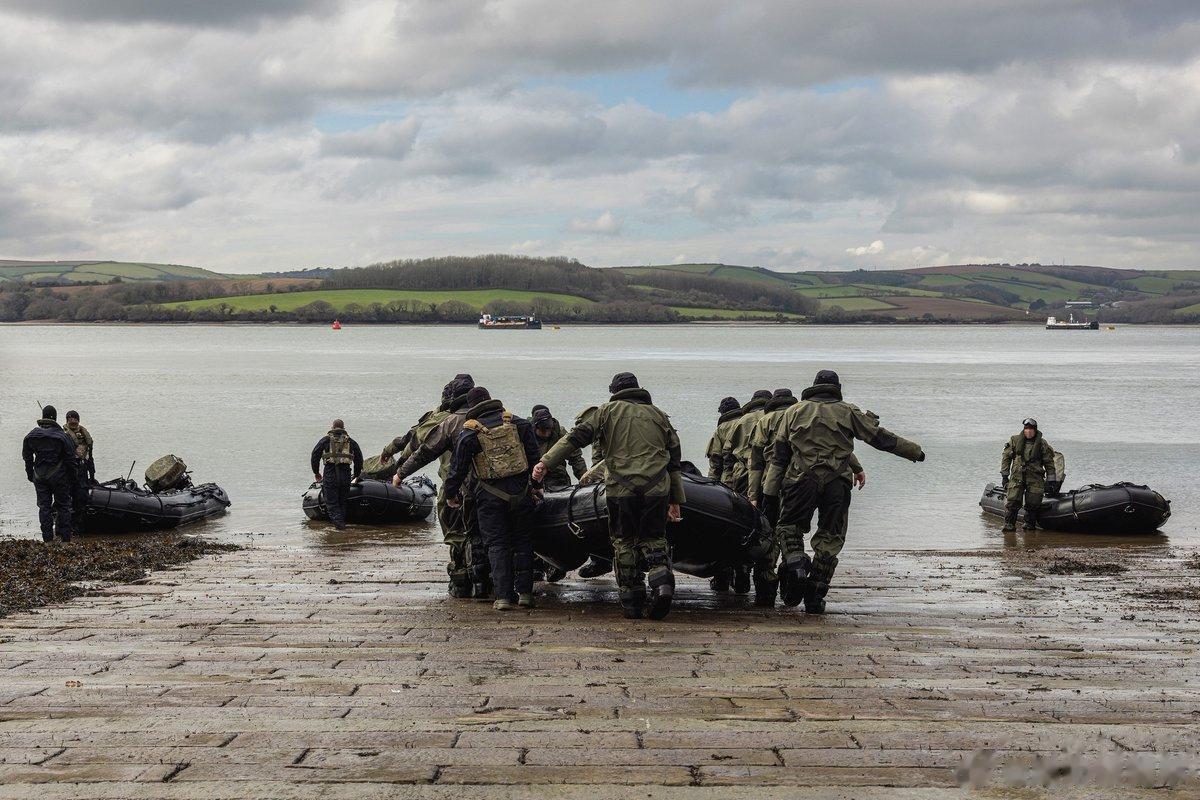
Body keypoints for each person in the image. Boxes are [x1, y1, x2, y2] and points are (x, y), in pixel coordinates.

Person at [764, 370, 924, 613]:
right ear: (836, 388)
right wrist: (914, 451)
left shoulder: (792, 412)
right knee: (831, 536)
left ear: (814, 386)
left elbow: (779, 457)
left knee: (788, 526)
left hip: (799, 481)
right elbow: (879, 438)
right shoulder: (848, 411)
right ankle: (815, 596)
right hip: (837, 483)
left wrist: (769, 494)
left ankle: (795, 563)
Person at [535, 372, 685, 620]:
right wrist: (675, 499)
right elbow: (674, 460)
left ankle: (632, 602)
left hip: (621, 489)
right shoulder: (659, 415)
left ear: (614, 391)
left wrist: (546, 462)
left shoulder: (605, 412)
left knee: (624, 541)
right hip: (657, 488)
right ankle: (663, 585)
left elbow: (575, 439)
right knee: (655, 539)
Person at [747, 388, 866, 607]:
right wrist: (857, 468)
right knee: (827, 534)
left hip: (775, 483)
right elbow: (840, 448)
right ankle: (812, 591)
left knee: (772, 537)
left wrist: (754, 495)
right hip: (803, 481)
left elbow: (756, 463)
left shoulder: (765, 422)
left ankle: (768, 592)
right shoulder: (805, 413)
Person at [444, 387, 543, 612]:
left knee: (497, 545)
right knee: (523, 541)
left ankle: (503, 598)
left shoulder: (470, 432)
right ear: (491, 400)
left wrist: (451, 494)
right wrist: (536, 487)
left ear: (472, 406)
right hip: (521, 493)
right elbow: (535, 460)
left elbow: (457, 469)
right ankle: (526, 594)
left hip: (489, 497)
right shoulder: (518, 423)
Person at [392, 375, 490, 599]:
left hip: (455, 487)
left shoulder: (448, 421)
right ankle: (487, 583)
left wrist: (399, 473)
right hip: (492, 488)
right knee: (487, 536)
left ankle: (461, 583)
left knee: (457, 536)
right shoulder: (497, 417)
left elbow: (423, 450)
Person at [22, 405, 78, 543]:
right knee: (64, 506)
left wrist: (31, 475)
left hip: (39, 477)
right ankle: (65, 540)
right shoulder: (62, 437)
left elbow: (27, 458)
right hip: (59, 477)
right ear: (55, 417)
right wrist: (73, 479)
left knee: (44, 507)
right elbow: (70, 460)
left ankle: (47, 540)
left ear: (43, 417)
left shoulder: (30, 435)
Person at [1000, 418, 1057, 533]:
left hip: (1035, 477)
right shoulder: (1015, 440)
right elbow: (1006, 458)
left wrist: (1051, 481)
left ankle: (1029, 526)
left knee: (1033, 504)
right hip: (1017, 477)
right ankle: (1009, 525)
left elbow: (1049, 463)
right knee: (1012, 502)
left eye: (1031, 429)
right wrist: (1005, 476)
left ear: (1035, 430)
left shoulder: (1042, 443)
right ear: (1024, 430)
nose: (1029, 432)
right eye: (1026, 429)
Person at [310, 419, 363, 531]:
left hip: (330, 473)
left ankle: (341, 529)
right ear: (344, 428)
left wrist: (316, 472)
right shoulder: (351, 442)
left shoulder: (325, 440)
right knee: (342, 502)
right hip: (346, 474)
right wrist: (357, 475)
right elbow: (359, 460)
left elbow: (315, 455)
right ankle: (341, 526)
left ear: (332, 428)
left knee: (332, 504)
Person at [530, 405, 587, 491]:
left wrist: (585, 479)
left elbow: (576, 458)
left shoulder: (560, 433)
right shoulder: (528, 434)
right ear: (535, 428)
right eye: (543, 431)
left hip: (558, 477)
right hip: (534, 477)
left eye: (549, 430)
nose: (546, 434)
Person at [63, 410, 96, 531]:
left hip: (83, 472)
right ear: (67, 421)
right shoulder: (64, 436)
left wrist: (92, 476)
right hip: (68, 472)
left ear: (78, 420)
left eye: (75, 419)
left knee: (82, 499)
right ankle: (65, 527)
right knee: (66, 500)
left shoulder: (85, 436)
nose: (73, 421)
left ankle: (78, 526)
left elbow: (90, 458)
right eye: (70, 419)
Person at [705, 397, 742, 485]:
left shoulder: (721, 429)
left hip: (729, 478)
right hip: (748, 476)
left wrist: (711, 483)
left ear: (722, 412)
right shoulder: (746, 422)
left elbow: (715, 459)